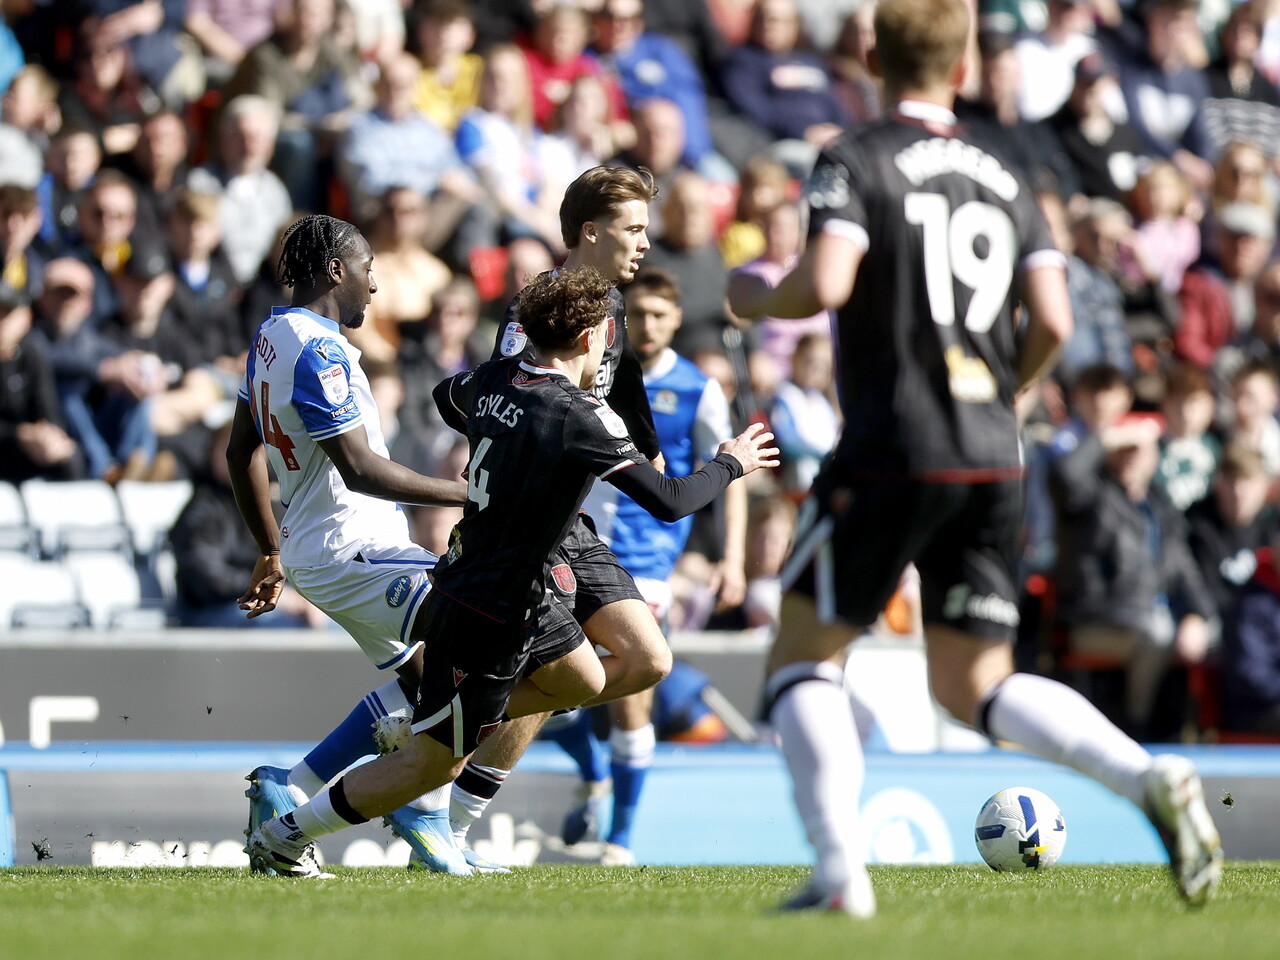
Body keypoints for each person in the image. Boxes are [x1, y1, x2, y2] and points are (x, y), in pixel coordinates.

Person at [727, 0, 1222, 914]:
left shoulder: (857, 155)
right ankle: (1147, 775)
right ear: (962, 67)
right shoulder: (1007, 172)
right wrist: (1010, 389)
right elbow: (1058, 321)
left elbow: (827, 282)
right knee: (973, 682)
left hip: (892, 442)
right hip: (994, 451)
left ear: (872, 55)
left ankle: (840, 872)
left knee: (802, 658)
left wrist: (758, 292)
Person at [245, 265, 776, 877]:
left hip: (502, 580)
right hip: (490, 606)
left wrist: (503, 433)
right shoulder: (580, 416)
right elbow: (670, 500)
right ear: (591, 339)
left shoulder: (499, 377)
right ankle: (287, 835)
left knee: (581, 677)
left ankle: (424, 724)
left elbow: (449, 396)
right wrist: (731, 464)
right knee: (431, 765)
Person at [225, 214, 473, 876]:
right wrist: (468, 494)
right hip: (353, 546)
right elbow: (360, 468)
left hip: (325, 549)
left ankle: (291, 785)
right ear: (336, 270)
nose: (375, 284)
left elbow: (237, 450)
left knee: (428, 691)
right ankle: (419, 815)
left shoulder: (272, 339)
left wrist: (271, 549)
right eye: (368, 269)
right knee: (478, 637)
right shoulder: (318, 350)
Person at [545, 266, 745, 864]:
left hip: (646, 564)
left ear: (678, 319)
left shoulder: (697, 390)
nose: (651, 325)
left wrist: (731, 556)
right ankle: (594, 772)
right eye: (642, 314)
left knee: (632, 692)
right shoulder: (595, 378)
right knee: (549, 686)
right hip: (571, 545)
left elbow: (728, 471)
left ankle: (621, 839)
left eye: (661, 314)